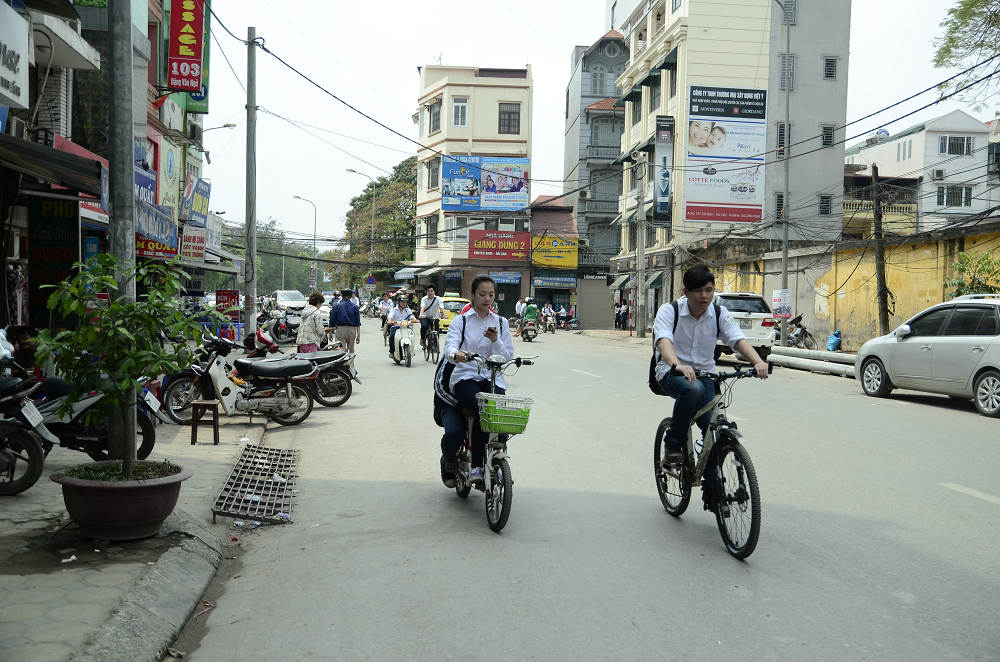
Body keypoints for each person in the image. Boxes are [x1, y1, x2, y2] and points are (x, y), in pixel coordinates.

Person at [653, 266, 769, 511]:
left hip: (705, 375)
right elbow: (663, 340)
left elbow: (736, 339)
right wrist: (677, 365)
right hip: (671, 372)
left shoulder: (719, 313)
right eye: (697, 291)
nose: (703, 296)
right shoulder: (669, 310)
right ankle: (674, 441)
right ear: (686, 291)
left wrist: (757, 361)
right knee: (691, 391)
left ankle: (712, 491)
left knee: (713, 430)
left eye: (708, 290)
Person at [439, 275, 514, 486]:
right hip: (466, 376)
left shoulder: (501, 322)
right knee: (485, 410)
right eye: (482, 294)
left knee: (501, 417)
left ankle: (497, 461)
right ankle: (477, 466)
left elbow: (507, 355)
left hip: (493, 378)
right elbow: (449, 348)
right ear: (472, 295)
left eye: (491, 294)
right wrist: (458, 355)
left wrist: (496, 340)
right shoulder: (460, 321)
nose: (487, 298)